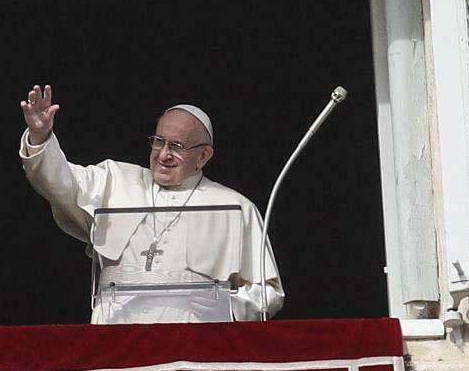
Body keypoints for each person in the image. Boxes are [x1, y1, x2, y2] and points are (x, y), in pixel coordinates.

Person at [19, 84, 284, 324]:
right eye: (159, 142)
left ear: (203, 156)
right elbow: (59, 183)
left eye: (177, 146)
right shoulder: (114, 179)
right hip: (117, 335)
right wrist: (41, 137)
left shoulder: (235, 208)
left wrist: (228, 305)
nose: (163, 155)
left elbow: (269, 294)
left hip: (192, 344)